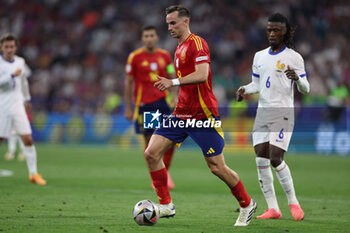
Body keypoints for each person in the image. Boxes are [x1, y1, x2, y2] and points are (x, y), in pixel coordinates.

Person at [149, 5, 257, 227]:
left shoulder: (198, 44)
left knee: (216, 167)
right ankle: (166, 205)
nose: (169, 27)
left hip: (203, 115)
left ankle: (247, 204)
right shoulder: (178, 48)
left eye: (173, 23)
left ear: (186, 21)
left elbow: (202, 75)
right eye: (167, 23)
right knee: (151, 153)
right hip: (181, 113)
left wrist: (173, 82)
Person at [236, 13, 310, 221]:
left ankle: (293, 202)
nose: (271, 33)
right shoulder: (259, 56)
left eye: (276, 30)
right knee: (260, 158)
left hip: (283, 113)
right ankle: (273, 209)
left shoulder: (294, 57)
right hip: (263, 113)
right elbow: (256, 85)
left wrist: (297, 79)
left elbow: (306, 88)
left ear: (285, 31)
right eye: (269, 30)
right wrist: (243, 89)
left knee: (276, 157)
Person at [124, 25, 177, 189]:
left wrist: (174, 95)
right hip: (146, 105)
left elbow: (171, 75)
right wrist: (128, 107)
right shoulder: (135, 57)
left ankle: (164, 173)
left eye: (151, 35)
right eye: (145, 36)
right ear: (142, 38)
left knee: (172, 139)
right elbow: (129, 83)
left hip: (163, 103)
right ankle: (156, 178)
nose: (148, 38)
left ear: (156, 37)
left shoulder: (165, 56)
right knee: (150, 143)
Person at [0, 33, 46, 185]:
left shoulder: (20, 61)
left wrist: (27, 98)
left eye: (12, 46)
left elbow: (24, 82)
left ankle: (33, 174)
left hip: (17, 104)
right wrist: (11, 76)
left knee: (27, 138)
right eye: (6, 47)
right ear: (1, 48)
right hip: (2, 105)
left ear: (16, 47)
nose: (9, 49)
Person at [4, 63, 32, 162]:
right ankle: (12, 151)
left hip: (20, 100)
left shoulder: (20, 63)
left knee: (21, 128)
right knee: (12, 128)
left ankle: (22, 152)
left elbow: (28, 74)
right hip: (9, 101)